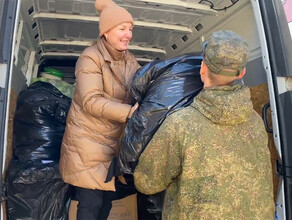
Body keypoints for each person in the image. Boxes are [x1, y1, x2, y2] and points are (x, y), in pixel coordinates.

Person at [134, 30, 275, 219]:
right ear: (242, 72)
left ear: (202, 68)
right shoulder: (256, 122)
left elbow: (146, 181)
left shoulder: (180, 124)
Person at [59, 0, 140, 219]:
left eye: (130, 29)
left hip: (112, 143)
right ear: (106, 32)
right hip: (88, 143)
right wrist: (129, 112)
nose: (128, 34)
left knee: (106, 203)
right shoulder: (90, 58)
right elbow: (91, 101)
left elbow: (142, 84)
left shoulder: (129, 59)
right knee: (90, 204)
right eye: (122, 28)